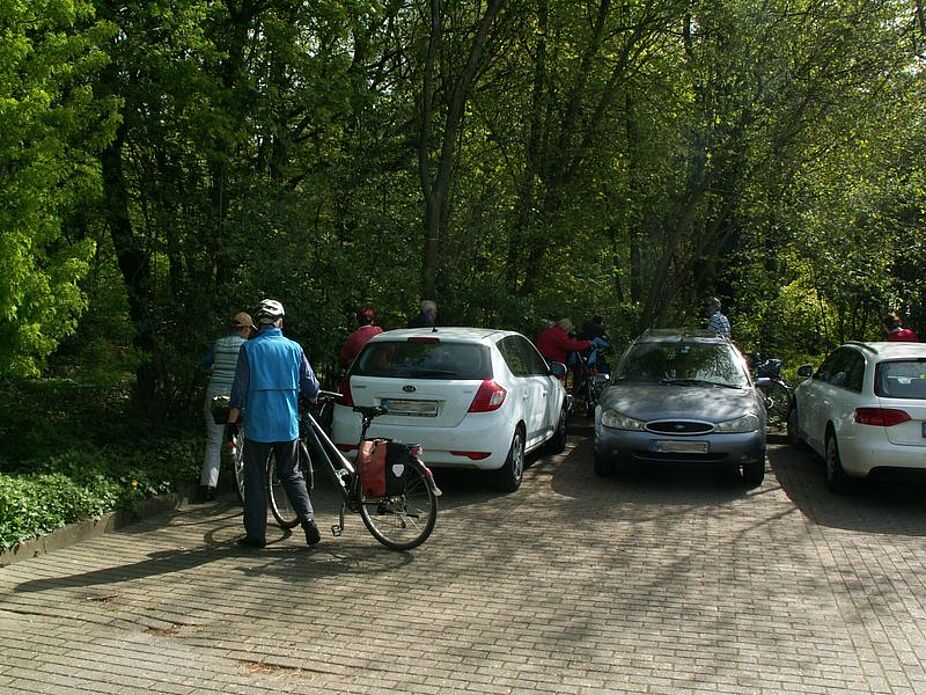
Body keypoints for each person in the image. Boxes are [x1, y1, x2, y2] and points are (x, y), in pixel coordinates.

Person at [226, 299, 321, 549]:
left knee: (255, 477)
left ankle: (256, 535)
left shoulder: (250, 349)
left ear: (258, 324)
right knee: (292, 473)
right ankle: (308, 521)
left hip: (258, 423)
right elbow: (311, 387)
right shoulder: (294, 348)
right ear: (281, 321)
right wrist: (312, 398)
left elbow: (239, 391)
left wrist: (231, 422)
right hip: (287, 422)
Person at [195, 311, 253, 503]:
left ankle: (208, 487)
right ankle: (242, 481)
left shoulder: (218, 344)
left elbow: (204, 366)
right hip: (237, 399)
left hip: (215, 397)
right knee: (243, 439)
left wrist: (214, 370)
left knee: (213, 442)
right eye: (249, 330)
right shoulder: (247, 347)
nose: (249, 333)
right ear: (244, 329)